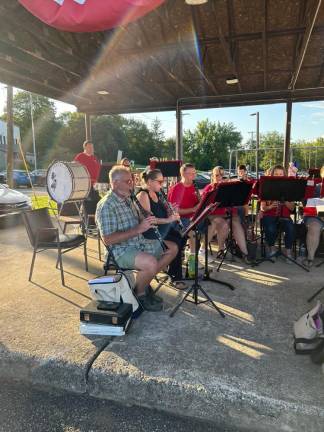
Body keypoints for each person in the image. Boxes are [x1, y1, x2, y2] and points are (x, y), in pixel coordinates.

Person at [95, 165, 176, 312]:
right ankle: (140, 294)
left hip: (137, 242)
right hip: (120, 251)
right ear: (115, 182)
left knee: (172, 249)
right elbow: (108, 239)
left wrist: (146, 217)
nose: (132, 184)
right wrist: (139, 229)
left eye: (132, 180)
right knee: (150, 263)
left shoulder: (128, 199)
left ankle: (143, 283)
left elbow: (138, 222)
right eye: (128, 181)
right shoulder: (107, 205)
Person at [136, 169, 187, 289]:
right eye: (159, 181)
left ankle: (171, 270)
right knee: (176, 243)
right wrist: (169, 220)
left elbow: (164, 214)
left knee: (182, 236)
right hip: (149, 232)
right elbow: (150, 220)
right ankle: (171, 275)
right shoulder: (143, 195)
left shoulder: (158, 194)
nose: (162, 184)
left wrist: (171, 210)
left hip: (161, 229)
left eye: (162, 181)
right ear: (149, 181)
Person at [202, 166, 251, 263]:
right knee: (222, 223)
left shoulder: (228, 187)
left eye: (221, 175)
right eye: (217, 175)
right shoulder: (209, 188)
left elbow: (233, 205)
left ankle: (245, 253)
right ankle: (219, 249)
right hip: (212, 216)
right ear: (212, 176)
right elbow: (205, 207)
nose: (219, 177)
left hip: (225, 214)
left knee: (236, 221)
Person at [260, 164, 295, 261]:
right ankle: (272, 249)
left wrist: (285, 201)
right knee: (271, 228)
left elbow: (292, 208)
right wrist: (270, 206)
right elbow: (263, 208)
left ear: (284, 175)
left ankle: (288, 251)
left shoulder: (289, 189)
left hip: (284, 216)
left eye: (281, 174)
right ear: (272, 175)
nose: (279, 176)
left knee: (291, 228)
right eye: (276, 174)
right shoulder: (266, 187)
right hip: (269, 215)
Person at [167, 163, 201, 255]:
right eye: (191, 173)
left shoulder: (194, 186)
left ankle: (200, 251)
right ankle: (192, 259)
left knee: (210, 224)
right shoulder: (177, 189)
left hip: (192, 218)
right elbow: (175, 211)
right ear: (183, 174)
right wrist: (193, 209)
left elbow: (199, 204)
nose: (194, 176)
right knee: (192, 233)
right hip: (177, 219)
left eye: (195, 173)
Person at [303, 165, 324, 268]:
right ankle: (310, 258)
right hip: (316, 215)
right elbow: (306, 203)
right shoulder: (314, 184)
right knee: (314, 227)